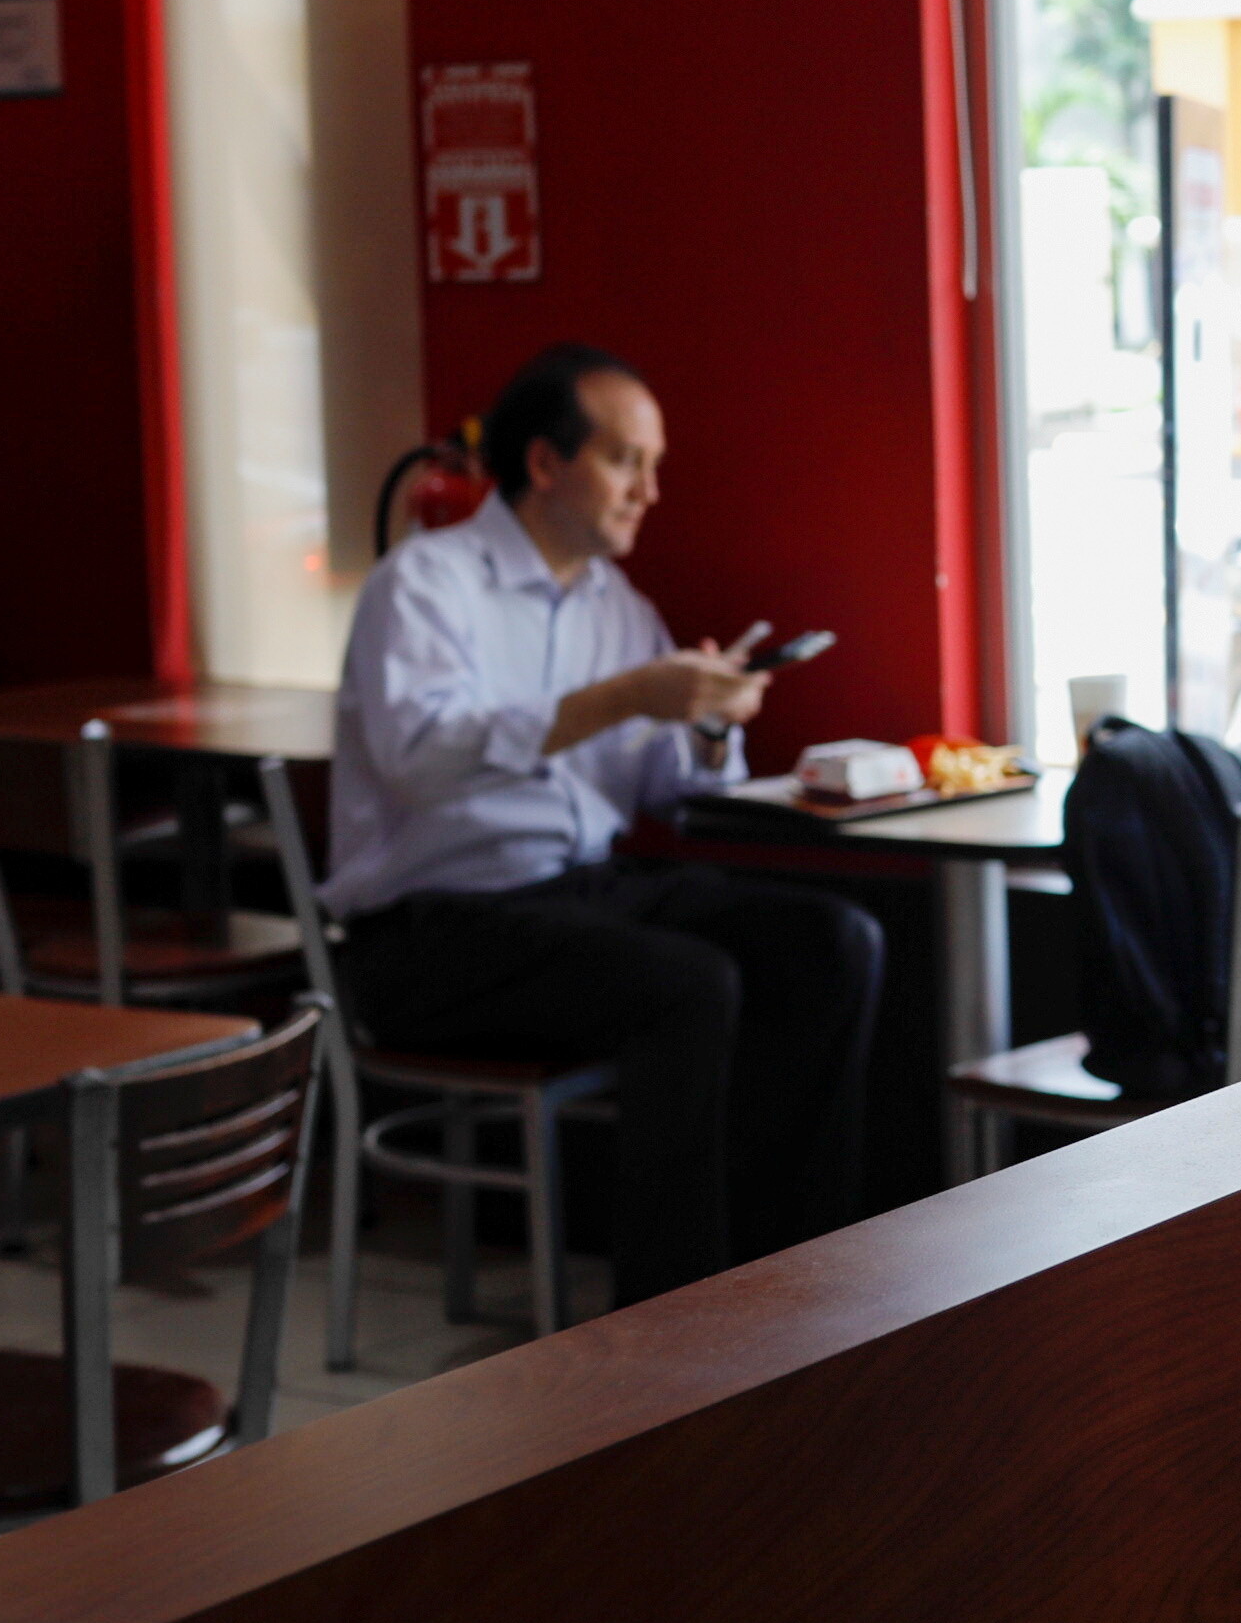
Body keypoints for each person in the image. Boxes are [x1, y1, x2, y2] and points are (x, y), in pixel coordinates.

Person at [323, 343, 883, 1309]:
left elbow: (664, 789)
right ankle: (668, 1321)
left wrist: (703, 721)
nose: (650, 490)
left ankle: (791, 1281)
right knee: (686, 984)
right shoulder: (424, 583)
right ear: (545, 463)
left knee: (833, 941)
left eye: (652, 464)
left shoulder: (619, 606)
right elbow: (421, 752)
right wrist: (626, 693)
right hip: (429, 925)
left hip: (577, 893)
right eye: (627, 460)